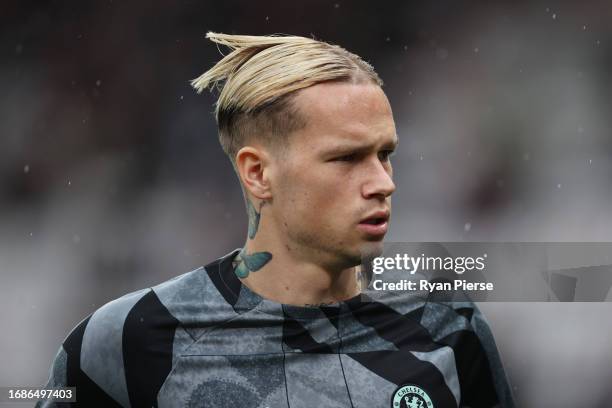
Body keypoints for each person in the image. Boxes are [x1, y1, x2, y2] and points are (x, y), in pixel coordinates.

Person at [38, 32, 514, 408]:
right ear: (258, 173)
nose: (383, 182)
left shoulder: (448, 329)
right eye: (346, 158)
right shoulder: (129, 340)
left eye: (384, 154)